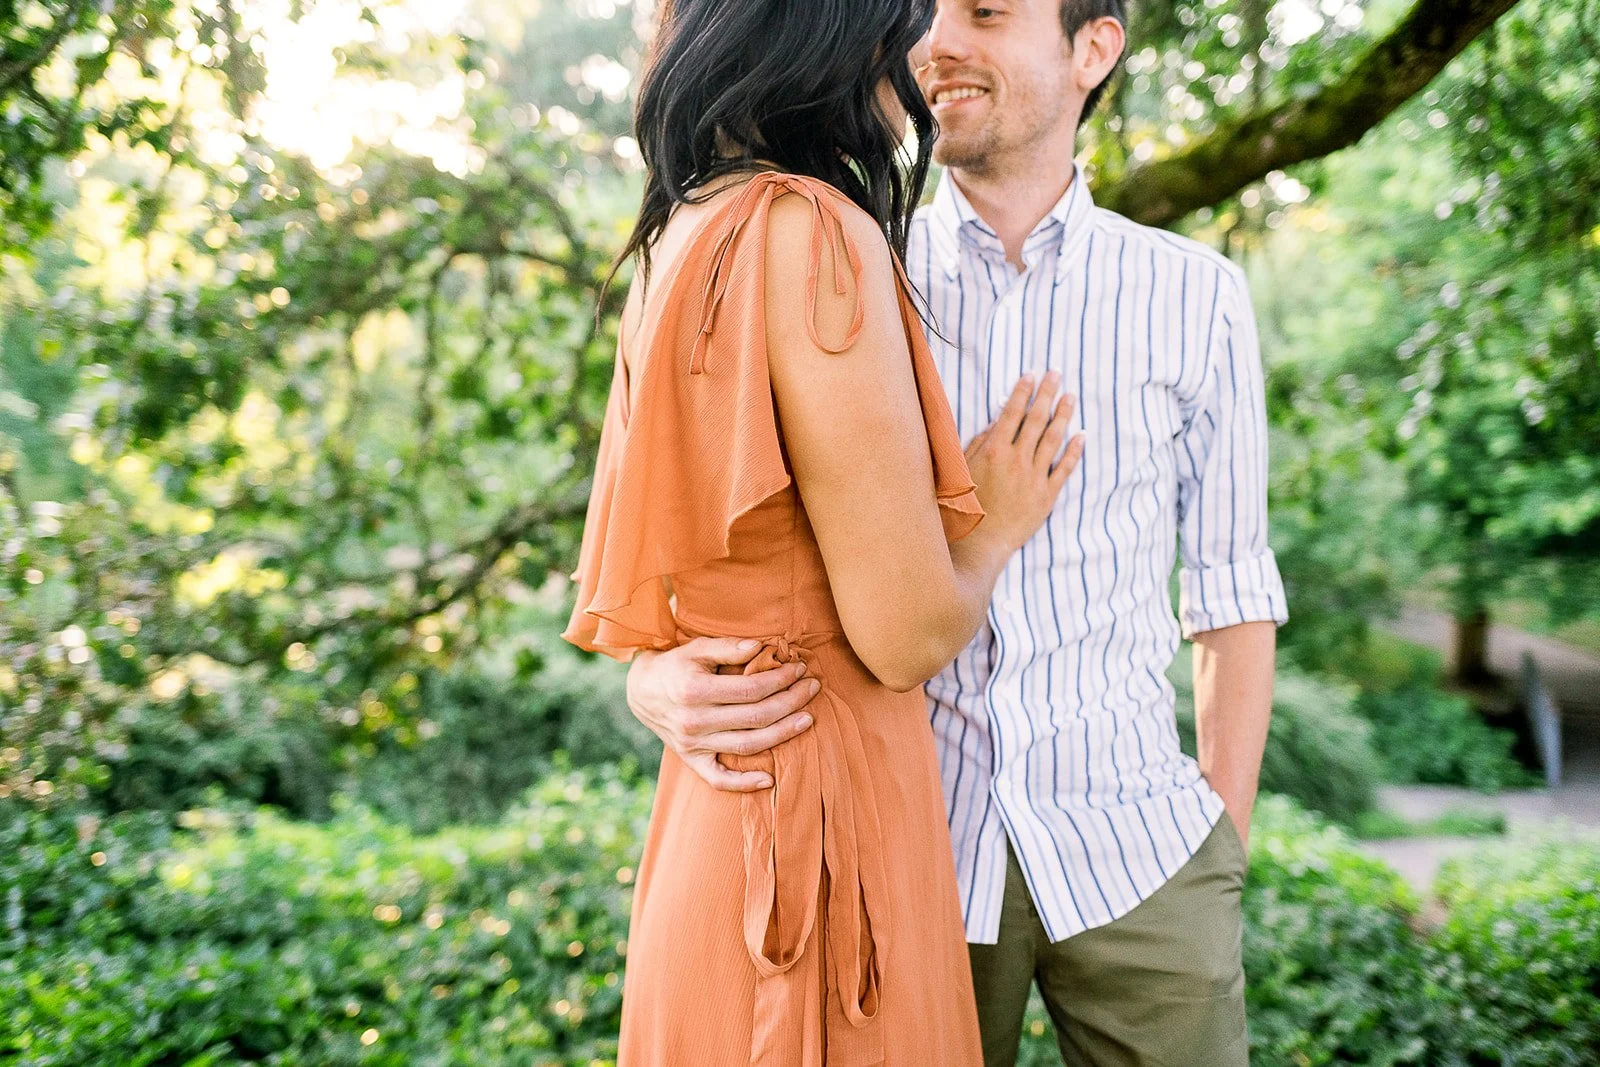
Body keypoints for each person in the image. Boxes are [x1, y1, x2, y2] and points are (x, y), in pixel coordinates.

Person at [623, 0, 1290, 1064]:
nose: (939, 44)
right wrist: (653, 673)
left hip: (1141, 853)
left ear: (1094, 48)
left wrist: (1222, 843)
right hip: (911, 854)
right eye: (931, 15)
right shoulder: (849, 256)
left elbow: (1232, 590)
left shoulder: (1194, 295)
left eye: (987, 13)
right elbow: (712, 520)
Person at [561, 0, 1086, 1062]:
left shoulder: (679, 232)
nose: (922, 48)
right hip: (825, 809)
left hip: (717, 803)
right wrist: (991, 517)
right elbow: (904, 634)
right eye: (904, 17)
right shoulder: (811, 234)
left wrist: (651, 671)